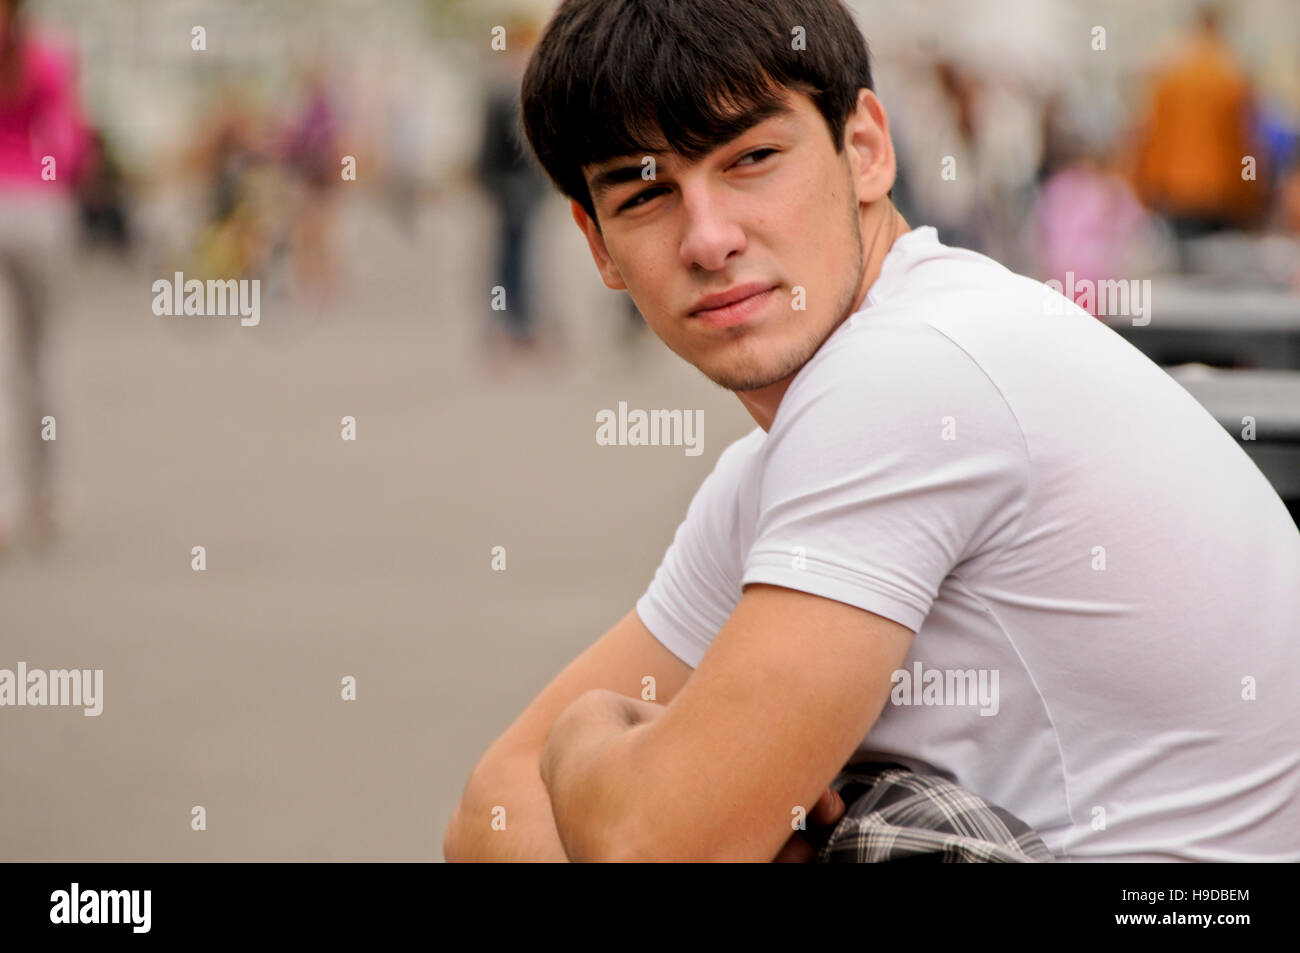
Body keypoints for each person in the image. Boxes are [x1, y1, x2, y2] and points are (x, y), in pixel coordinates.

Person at [444, 0, 1300, 862]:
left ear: (865, 150)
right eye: (646, 194)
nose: (708, 238)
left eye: (753, 159)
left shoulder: (910, 374)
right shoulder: (779, 462)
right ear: (598, 245)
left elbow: (656, 846)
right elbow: (490, 815)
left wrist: (589, 734)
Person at [0, 0, 89, 556]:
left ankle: (3, 502)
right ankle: (47, 497)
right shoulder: (49, 58)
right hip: (41, 213)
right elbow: (70, 143)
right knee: (43, 356)